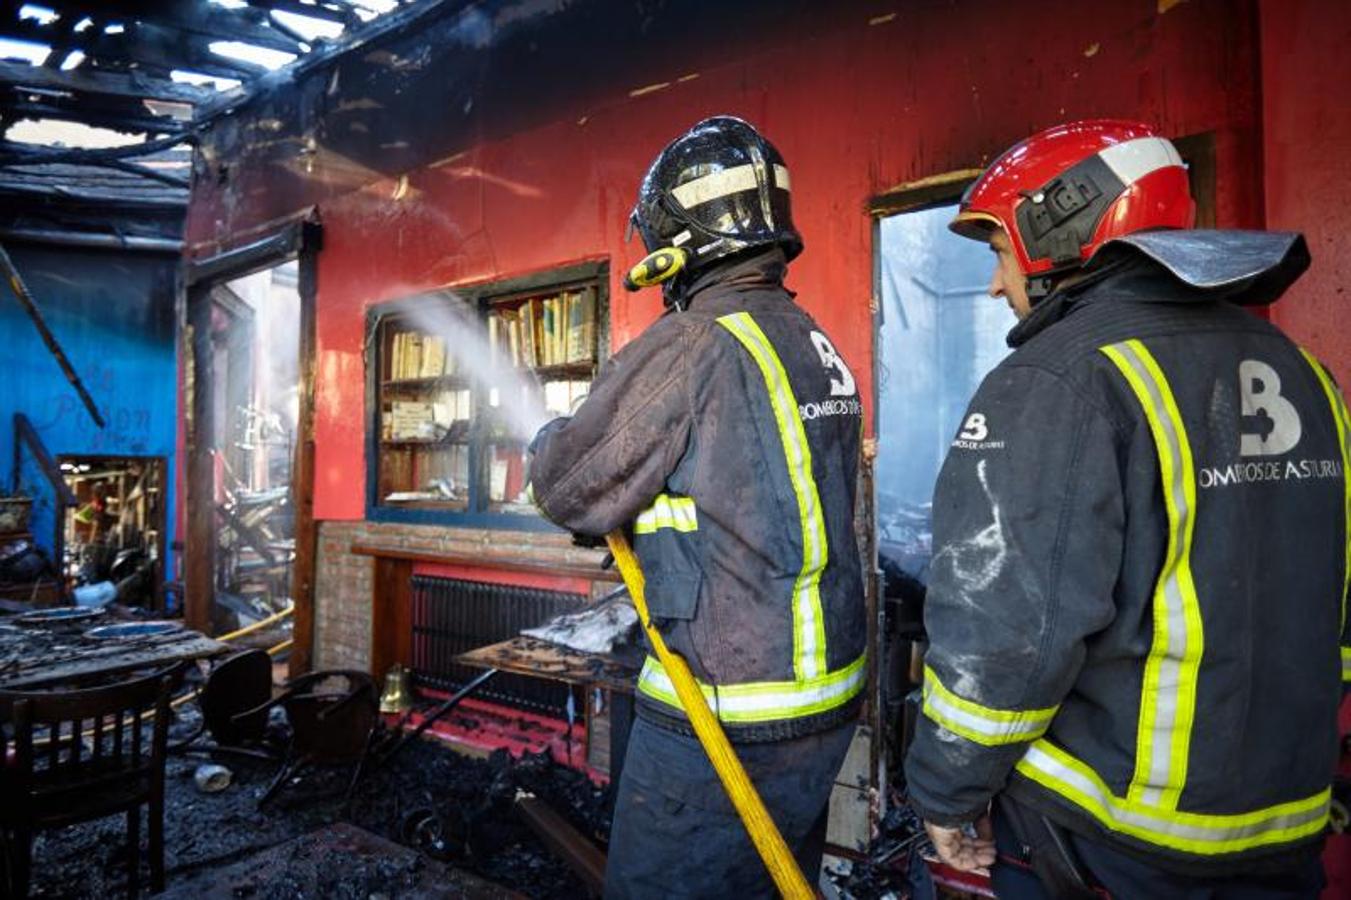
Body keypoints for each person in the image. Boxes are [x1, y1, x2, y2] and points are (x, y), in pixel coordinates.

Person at [904, 119, 1347, 898]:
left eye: (1000, 253)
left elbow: (1005, 639)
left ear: (1058, 232)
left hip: (1106, 835)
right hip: (1281, 825)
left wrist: (946, 790)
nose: (994, 285)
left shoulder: (1059, 378)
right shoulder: (1303, 372)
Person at [528, 116, 867, 897]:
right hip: (821, 701)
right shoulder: (809, 340)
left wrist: (547, 439)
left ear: (678, 240)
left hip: (724, 709)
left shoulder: (694, 341)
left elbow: (569, 486)